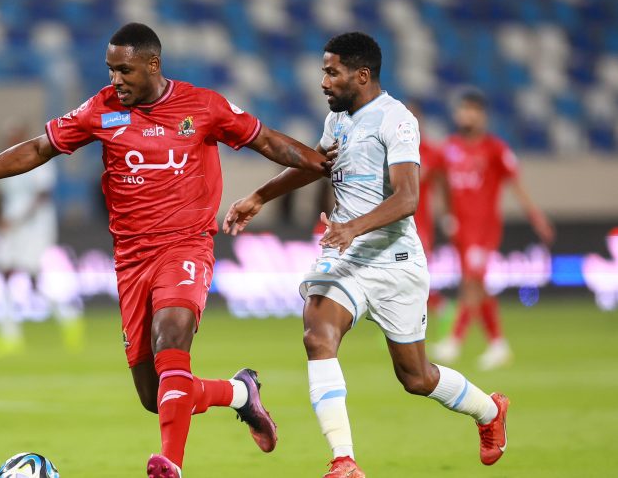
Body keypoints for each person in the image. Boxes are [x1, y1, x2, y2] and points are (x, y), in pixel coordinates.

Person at [0, 22, 335, 478]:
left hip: (186, 246)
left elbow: (268, 141)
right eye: (111, 70)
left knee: (171, 337)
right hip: (132, 260)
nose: (115, 79)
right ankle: (239, 394)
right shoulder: (102, 109)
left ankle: (170, 465)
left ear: (153, 65)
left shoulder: (203, 106)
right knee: (155, 397)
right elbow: (38, 149)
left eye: (124, 70)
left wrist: (325, 165)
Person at [223, 32, 509, 478]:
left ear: (361, 74)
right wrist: (260, 196)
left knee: (416, 378)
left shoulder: (397, 120)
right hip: (344, 258)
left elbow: (408, 197)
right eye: (324, 72)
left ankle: (489, 411)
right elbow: (317, 164)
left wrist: (352, 227)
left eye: (331, 72)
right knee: (317, 334)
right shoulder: (337, 119)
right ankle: (344, 460)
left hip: (395, 260)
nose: (323, 82)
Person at [432, 88, 554, 370]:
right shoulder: (449, 148)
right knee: (477, 283)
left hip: (484, 227)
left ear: (482, 116)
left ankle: (455, 340)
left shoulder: (495, 149)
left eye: (472, 110)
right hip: (461, 227)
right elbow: (440, 180)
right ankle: (498, 344)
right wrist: (447, 215)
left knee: (471, 282)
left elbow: (516, 184)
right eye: (463, 109)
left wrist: (536, 217)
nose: (467, 115)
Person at [0, 119, 83, 357]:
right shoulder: (4, 161)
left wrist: (19, 219)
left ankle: (68, 317)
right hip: (11, 227)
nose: (11, 139)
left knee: (33, 280)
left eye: (15, 135)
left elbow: (43, 195)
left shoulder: (39, 158)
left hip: (35, 227)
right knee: (5, 274)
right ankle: (10, 336)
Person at [406, 100, 447, 322]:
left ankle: (438, 307)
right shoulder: (390, 149)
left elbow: (443, 185)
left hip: (421, 222)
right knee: (401, 275)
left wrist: (447, 215)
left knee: (417, 274)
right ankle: (406, 322)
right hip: (394, 220)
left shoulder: (431, 152)